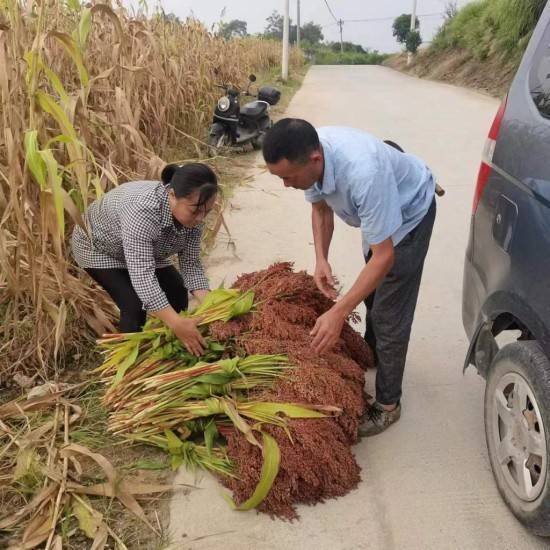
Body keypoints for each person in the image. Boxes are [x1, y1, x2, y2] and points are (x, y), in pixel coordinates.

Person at [262, 119, 436, 436]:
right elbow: (321, 210)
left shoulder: (363, 174)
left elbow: (385, 256)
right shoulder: (311, 157)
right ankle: (373, 352)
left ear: (314, 160)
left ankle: (388, 406)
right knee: (371, 293)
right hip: (381, 217)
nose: (286, 185)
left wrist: (338, 312)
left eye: (288, 177)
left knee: (388, 314)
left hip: (410, 217)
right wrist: (321, 259)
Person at [71, 163, 217, 356]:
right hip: (99, 247)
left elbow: (190, 264)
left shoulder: (195, 215)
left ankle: (173, 346)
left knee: (177, 291)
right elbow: (143, 276)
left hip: (144, 248)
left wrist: (213, 306)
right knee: (133, 304)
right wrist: (176, 323)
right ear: (172, 195)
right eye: (195, 211)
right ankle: (125, 362)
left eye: (206, 212)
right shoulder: (142, 211)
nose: (200, 218)